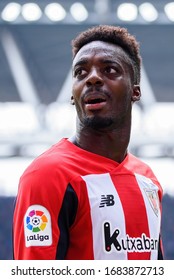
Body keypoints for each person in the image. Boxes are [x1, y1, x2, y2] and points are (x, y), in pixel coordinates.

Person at [13, 25, 163, 260]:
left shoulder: (147, 179)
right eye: (81, 72)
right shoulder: (47, 175)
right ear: (73, 95)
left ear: (135, 92)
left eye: (110, 69)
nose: (92, 78)